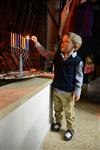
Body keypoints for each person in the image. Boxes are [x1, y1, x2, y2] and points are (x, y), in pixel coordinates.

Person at [31, 32, 83, 141]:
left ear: (75, 46)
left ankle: (70, 129)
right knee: (57, 109)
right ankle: (58, 123)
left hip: (68, 92)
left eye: (66, 42)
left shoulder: (77, 61)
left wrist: (77, 91)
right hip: (56, 89)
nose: (62, 44)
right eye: (62, 41)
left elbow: (79, 77)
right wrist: (37, 43)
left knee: (69, 112)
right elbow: (45, 53)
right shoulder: (57, 56)